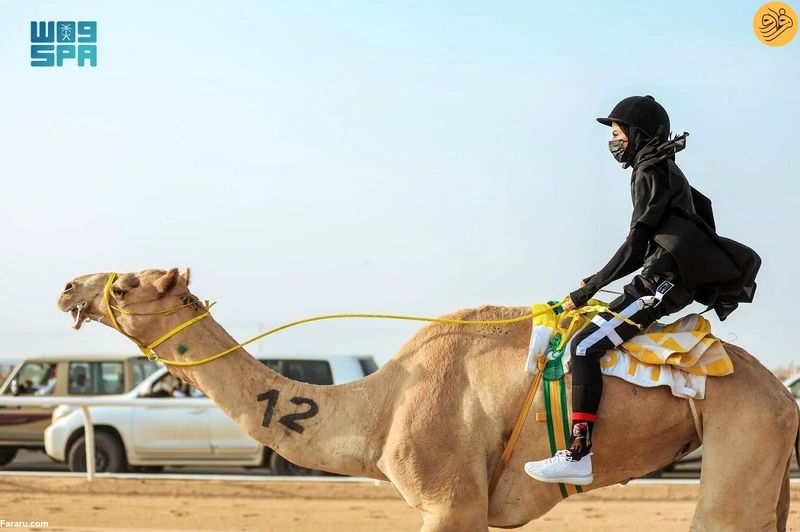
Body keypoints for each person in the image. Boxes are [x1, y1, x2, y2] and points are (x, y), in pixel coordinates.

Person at [524, 95, 761, 486]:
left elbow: (637, 243)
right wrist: (597, 281)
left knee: (584, 346)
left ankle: (579, 453)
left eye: (617, 133)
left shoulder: (650, 170)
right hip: (656, 278)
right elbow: (650, 244)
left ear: (637, 135)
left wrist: (590, 287)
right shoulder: (660, 168)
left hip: (659, 285)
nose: (613, 141)